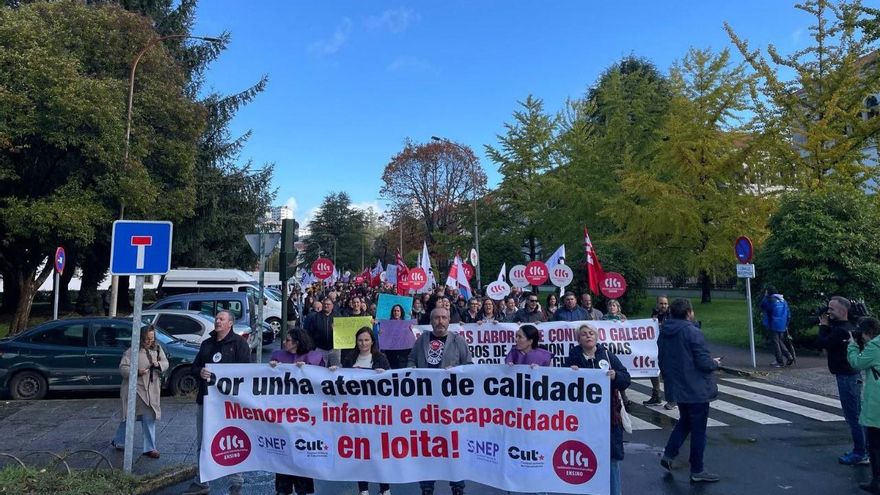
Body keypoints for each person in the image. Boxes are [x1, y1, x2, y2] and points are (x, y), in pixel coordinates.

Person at [183, 310, 251, 495]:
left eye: (222, 319)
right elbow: (194, 367)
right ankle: (202, 481)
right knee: (203, 441)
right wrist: (200, 372)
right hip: (206, 401)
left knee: (233, 440)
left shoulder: (239, 344)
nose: (217, 321)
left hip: (230, 405)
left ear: (230, 323)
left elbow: (247, 372)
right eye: (216, 318)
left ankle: (236, 482)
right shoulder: (207, 344)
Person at [408, 307, 472, 495]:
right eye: (436, 318)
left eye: (444, 317)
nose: (440, 321)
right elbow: (411, 360)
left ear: (449, 319)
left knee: (453, 445)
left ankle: (457, 485)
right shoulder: (422, 340)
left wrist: (456, 372)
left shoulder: (458, 340)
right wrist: (413, 372)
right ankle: (427, 486)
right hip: (426, 403)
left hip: (451, 404)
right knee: (427, 445)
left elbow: (468, 366)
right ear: (431, 320)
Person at [657, 299, 722, 483]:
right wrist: (715, 363)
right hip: (696, 387)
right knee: (699, 429)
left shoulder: (664, 332)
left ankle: (669, 454)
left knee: (685, 421)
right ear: (688, 312)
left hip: (678, 386)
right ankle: (697, 469)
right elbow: (703, 362)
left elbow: (662, 359)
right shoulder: (692, 331)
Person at [566, 324, 631, 495]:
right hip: (583, 419)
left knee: (612, 460)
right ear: (578, 339)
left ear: (596, 337)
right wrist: (569, 374)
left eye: (591, 333)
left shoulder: (608, 356)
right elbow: (563, 386)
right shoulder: (573, 358)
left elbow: (626, 379)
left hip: (609, 418)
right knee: (584, 461)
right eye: (584, 334)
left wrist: (616, 376)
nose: (588, 336)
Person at [332, 327, 392, 495]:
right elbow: (342, 382)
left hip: (376, 414)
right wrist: (333, 372)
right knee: (361, 452)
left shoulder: (381, 359)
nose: (363, 343)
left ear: (372, 341)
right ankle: (363, 489)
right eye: (360, 340)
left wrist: (384, 375)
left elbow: (391, 384)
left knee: (379, 453)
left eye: (366, 340)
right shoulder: (350, 358)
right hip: (356, 414)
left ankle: (384, 488)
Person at [269, 329, 323, 495]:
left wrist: (309, 370)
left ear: (297, 343)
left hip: (304, 417)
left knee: (302, 453)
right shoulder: (278, 356)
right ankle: (282, 489)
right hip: (284, 414)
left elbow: (323, 380)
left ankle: (303, 489)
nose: (285, 342)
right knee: (283, 452)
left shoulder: (313, 357)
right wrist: (270, 369)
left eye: (288, 340)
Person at [818, 296, 869, 465]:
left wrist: (823, 326)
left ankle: (860, 452)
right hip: (852, 374)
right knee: (858, 414)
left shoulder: (841, 331)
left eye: (832, 309)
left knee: (852, 416)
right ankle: (865, 449)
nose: (828, 311)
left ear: (843, 310)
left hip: (846, 375)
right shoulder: (851, 327)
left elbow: (823, 343)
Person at [110, 326, 168, 458]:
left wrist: (159, 365)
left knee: (149, 417)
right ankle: (119, 441)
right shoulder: (132, 351)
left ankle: (150, 448)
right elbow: (123, 368)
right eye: (147, 338)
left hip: (151, 390)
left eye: (152, 338)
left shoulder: (157, 349)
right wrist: (136, 372)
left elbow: (165, 362)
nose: (149, 341)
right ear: (141, 338)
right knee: (129, 418)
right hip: (135, 390)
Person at [848, 317, 880, 493]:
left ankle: (876, 481)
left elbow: (856, 363)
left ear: (868, 333)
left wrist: (852, 345)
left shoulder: (874, 347)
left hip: (877, 400)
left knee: (875, 443)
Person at [645, 295, 676, 410]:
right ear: (657, 304)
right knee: (653, 370)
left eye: (665, 304)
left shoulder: (671, 316)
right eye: (661, 303)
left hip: (668, 348)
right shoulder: (654, 315)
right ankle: (656, 395)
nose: (663, 306)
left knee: (668, 374)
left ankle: (672, 399)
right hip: (655, 347)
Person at [760, 286, 796, 368]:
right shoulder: (783, 300)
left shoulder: (769, 300)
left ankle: (780, 361)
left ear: (768, 292)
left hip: (773, 324)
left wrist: (765, 297)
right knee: (780, 341)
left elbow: (762, 306)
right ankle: (789, 356)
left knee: (775, 343)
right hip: (782, 324)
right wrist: (786, 324)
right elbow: (788, 313)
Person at [304, 297, 340, 367]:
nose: (326, 306)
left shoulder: (338, 316)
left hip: (334, 348)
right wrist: (313, 346)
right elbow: (310, 332)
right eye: (325, 304)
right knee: (320, 369)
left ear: (332, 306)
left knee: (336, 368)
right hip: (320, 348)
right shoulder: (315, 317)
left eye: (328, 304)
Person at [383, 304, 411, 369]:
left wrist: (411, 330)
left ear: (401, 312)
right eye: (394, 311)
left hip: (403, 354)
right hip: (391, 353)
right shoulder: (387, 325)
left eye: (398, 311)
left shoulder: (406, 324)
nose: (396, 312)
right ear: (392, 313)